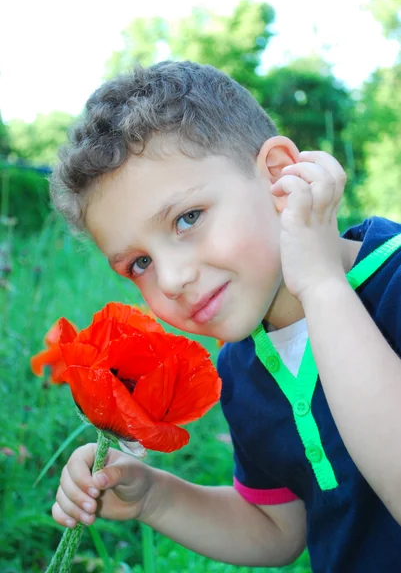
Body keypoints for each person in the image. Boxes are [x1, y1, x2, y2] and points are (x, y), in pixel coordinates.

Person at [50, 61, 401, 572]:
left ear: (279, 173)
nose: (170, 280)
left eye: (187, 218)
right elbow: (278, 528)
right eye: (140, 263)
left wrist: (322, 285)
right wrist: (155, 497)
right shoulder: (242, 368)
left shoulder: (394, 282)